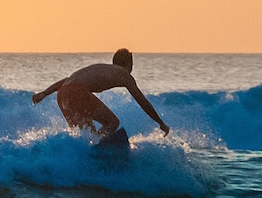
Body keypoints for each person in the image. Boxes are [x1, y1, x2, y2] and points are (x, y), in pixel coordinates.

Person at [32, 48, 170, 137]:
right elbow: (142, 101)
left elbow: (67, 81)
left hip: (62, 94)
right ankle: (98, 146)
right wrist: (160, 123)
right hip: (77, 92)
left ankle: (89, 153)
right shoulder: (123, 74)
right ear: (130, 63)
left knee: (86, 134)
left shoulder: (102, 69)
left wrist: (44, 93)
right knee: (112, 122)